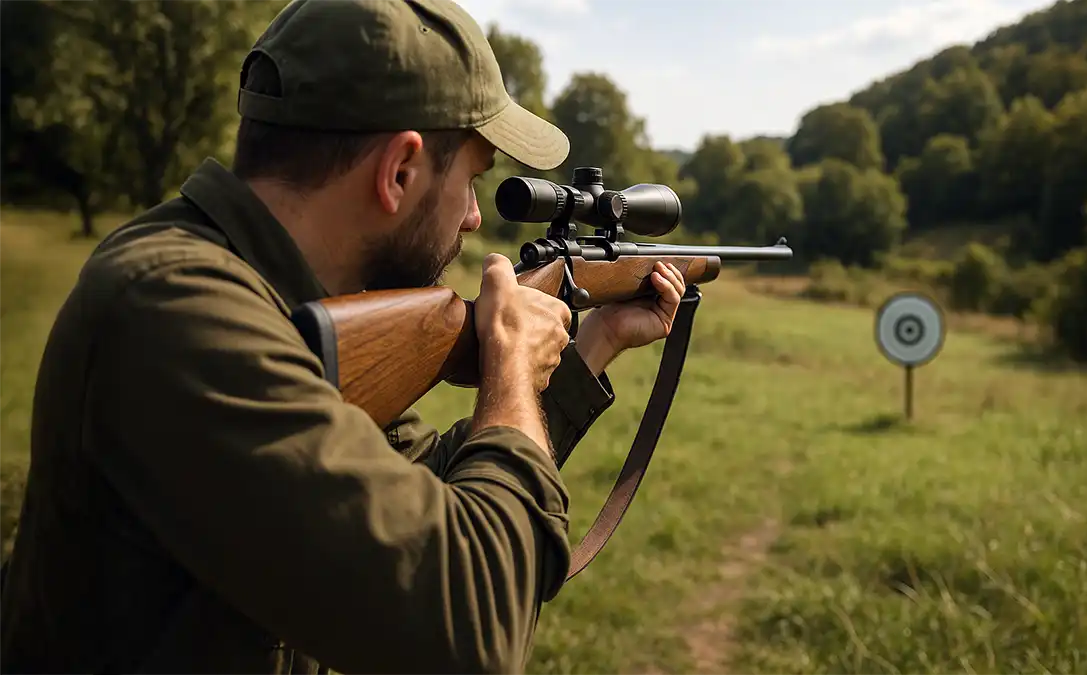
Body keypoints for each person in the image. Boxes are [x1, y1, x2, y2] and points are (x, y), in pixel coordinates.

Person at [0, 0, 688, 673]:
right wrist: (508, 363)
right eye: (473, 179)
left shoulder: (286, 300)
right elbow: (471, 629)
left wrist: (585, 347)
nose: (475, 217)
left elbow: (420, 497)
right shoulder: (176, 311)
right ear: (399, 172)